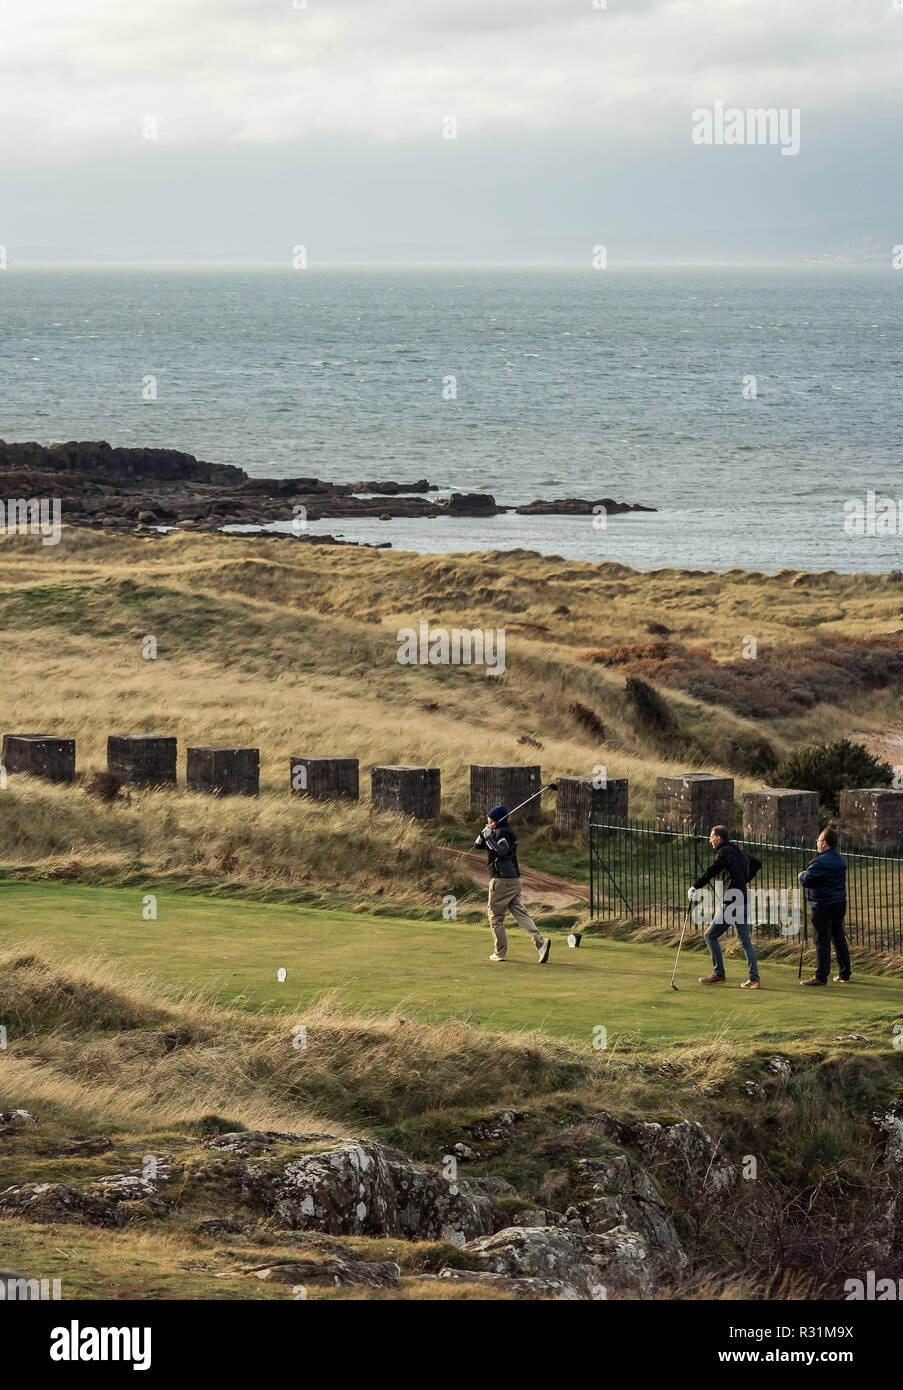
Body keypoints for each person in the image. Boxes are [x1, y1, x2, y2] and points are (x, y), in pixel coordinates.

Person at [688, 825, 762, 989]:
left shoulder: (724, 853)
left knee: (710, 936)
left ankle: (719, 974)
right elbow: (757, 863)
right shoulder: (739, 852)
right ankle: (754, 979)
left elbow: (712, 870)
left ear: (719, 838)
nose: (710, 840)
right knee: (745, 941)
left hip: (731, 902)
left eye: (712, 837)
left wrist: (695, 886)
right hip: (743, 900)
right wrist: (743, 880)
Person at [475, 804, 550, 964]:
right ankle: (541, 943)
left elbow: (501, 852)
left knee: (495, 918)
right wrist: (484, 835)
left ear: (496, 820)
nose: (488, 821)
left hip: (501, 881)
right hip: (513, 881)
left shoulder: (503, 833)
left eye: (490, 819)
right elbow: (478, 845)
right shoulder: (499, 832)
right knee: (521, 913)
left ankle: (499, 952)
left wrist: (489, 837)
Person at [798, 826, 851, 986]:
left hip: (823, 904)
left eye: (819, 840)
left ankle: (821, 976)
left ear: (825, 843)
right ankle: (845, 973)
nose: (817, 842)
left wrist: (802, 875)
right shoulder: (840, 859)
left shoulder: (820, 861)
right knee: (838, 937)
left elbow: (808, 881)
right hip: (839, 903)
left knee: (822, 940)